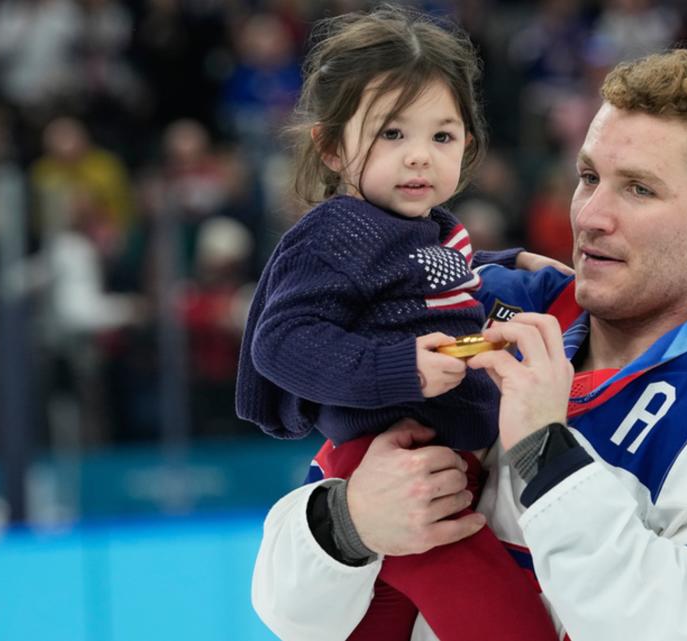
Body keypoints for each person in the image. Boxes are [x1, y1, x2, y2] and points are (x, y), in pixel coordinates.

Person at [250, 48, 687, 641]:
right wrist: (346, 525)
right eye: (588, 176)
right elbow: (289, 612)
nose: (590, 215)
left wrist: (546, 458)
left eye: (639, 189)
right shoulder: (483, 311)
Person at [236, 7, 560, 641]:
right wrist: (399, 367)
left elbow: (434, 271)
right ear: (331, 146)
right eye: (391, 134)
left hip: (436, 460)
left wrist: (507, 260)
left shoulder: (421, 227)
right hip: (395, 465)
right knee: (504, 620)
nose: (419, 157)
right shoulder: (335, 233)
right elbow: (282, 341)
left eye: (442, 136)